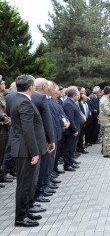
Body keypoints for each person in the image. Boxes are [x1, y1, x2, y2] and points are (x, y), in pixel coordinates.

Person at [11, 75, 49, 227]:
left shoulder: (18, 99)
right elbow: (28, 130)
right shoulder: (24, 102)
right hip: (25, 149)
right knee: (24, 186)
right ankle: (20, 217)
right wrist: (34, 152)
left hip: (24, 148)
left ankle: (26, 211)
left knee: (25, 184)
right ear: (31, 87)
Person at [62, 88, 83, 170]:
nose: (79, 96)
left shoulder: (72, 102)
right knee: (68, 148)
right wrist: (74, 130)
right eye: (78, 95)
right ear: (74, 96)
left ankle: (71, 161)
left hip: (75, 129)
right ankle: (67, 164)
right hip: (70, 131)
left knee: (72, 147)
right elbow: (70, 118)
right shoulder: (68, 103)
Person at [99, 86, 110, 158]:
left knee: (106, 137)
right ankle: (107, 152)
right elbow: (108, 111)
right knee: (108, 137)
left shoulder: (106, 99)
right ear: (109, 92)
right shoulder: (104, 100)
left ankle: (105, 150)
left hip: (107, 121)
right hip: (107, 122)